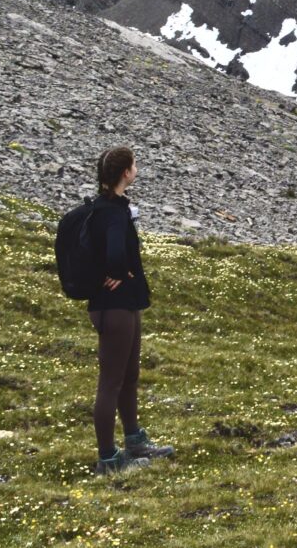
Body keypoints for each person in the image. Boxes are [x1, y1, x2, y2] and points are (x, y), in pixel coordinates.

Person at [87, 146, 176, 475]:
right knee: (111, 381)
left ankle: (134, 440)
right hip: (116, 307)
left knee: (128, 376)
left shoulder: (104, 207)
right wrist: (120, 273)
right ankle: (108, 458)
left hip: (120, 306)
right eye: (134, 165)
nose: (136, 169)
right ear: (125, 172)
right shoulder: (113, 212)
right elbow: (113, 253)